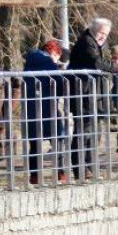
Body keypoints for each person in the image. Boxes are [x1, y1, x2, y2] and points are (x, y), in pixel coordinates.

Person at [67, 17, 112, 178]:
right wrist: (116, 68)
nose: (103, 37)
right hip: (83, 95)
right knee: (83, 133)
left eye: (106, 34)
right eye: (101, 33)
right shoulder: (86, 42)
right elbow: (97, 63)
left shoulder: (97, 43)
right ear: (93, 30)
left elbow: (102, 61)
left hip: (93, 94)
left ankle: (91, 168)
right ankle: (80, 169)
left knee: (94, 134)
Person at [23, 39, 66, 185]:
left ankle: (34, 175)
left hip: (31, 107)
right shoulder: (49, 63)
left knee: (34, 143)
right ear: (54, 52)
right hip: (48, 106)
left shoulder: (29, 61)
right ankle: (61, 172)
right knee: (59, 138)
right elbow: (60, 85)